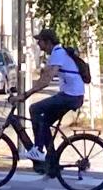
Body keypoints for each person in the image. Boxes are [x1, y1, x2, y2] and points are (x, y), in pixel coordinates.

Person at [8, 28, 84, 162]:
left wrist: (24, 95)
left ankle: (38, 150)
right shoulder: (57, 53)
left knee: (35, 109)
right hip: (72, 95)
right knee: (44, 122)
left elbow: (46, 81)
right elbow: (44, 77)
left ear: (48, 42)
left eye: (40, 41)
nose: (38, 44)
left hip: (71, 96)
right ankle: (50, 159)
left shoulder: (58, 54)